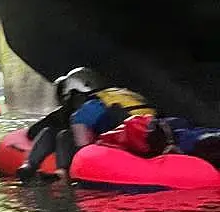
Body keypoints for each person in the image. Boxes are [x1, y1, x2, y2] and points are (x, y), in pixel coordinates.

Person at [16, 67, 154, 182]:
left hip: (118, 147)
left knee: (63, 135)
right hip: (147, 138)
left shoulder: (88, 107)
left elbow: (83, 147)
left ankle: (43, 169)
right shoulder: (120, 95)